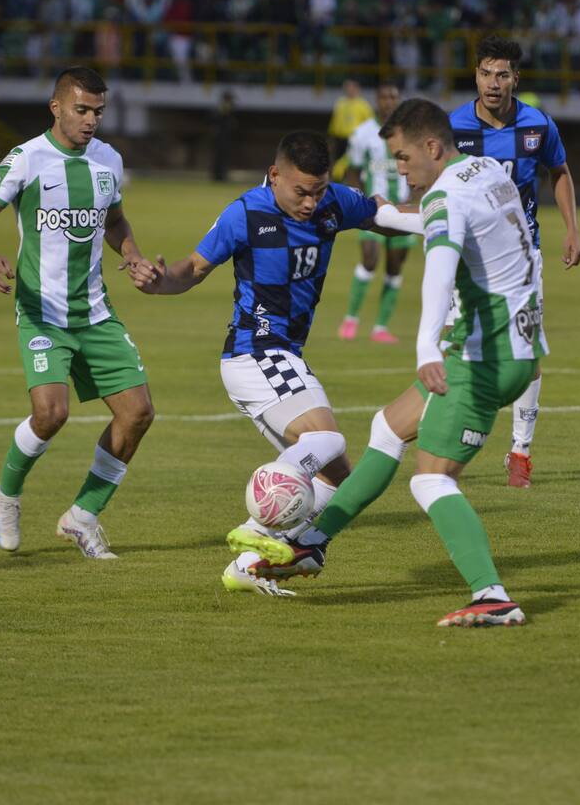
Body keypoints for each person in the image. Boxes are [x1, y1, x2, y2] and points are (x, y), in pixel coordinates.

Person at [242, 99, 547, 628]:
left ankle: (492, 595)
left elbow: (440, 265)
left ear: (432, 147)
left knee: (430, 481)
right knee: (387, 427)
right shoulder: (489, 171)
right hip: (518, 348)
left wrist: (427, 348)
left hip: (479, 358)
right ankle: (312, 542)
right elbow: (471, 234)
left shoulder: (446, 196)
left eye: (404, 158)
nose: (400, 169)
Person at [129, 131, 421, 596]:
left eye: (319, 190)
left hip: (282, 355)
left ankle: (248, 564)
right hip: (255, 351)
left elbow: (382, 217)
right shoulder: (245, 214)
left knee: (336, 477)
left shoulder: (333, 204)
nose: (310, 203)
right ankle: (256, 517)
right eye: (301, 191)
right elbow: (192, 270)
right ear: (274, 175)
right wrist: (158, 281)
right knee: (325, 437)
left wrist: (445, 218)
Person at [0, 66, 156, 560]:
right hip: (41, 311)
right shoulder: (27, 158)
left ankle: (82, 517)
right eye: (82, 110)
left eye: (98, 112)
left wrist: (131, 253)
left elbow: (114, 220)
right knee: (51, 414)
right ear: (57, 108)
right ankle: (7, 494)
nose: (91, 120)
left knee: (138, 414)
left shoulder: (109, 159)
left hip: (94, 311)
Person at [449, 35, 580, 488]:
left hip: (521, 258)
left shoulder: (538, 126)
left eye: (502, 74)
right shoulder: (455, 128)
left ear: (516, 79)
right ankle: (449, 440)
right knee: (458, 347)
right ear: (475, 76)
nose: (493, 83)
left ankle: (520, 452)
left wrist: (572, 229)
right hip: (466, 258)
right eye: (486, 73)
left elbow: (559, 172)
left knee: (527, 351)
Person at [336, 81, 414, 344]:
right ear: (377, 101)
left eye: (394, 96)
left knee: (394, 266)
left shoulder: (411, 134)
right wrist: (355, 206)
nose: (389, 101)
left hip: (404, 212)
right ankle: (351, 318)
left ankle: (380, 326)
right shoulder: (363, 134)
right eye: (384, 96)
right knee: (369, 259)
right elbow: (354, 173)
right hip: (374, 210)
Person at [327, 79, 373, 162]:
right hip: (340, 139)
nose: (349, 89)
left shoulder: (363, 105)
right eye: (347, 87)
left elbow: (370, 125)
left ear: (357, 88)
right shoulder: (340, 103)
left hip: (356, 140)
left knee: (353, 162)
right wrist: (331, 141)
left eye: (351, 87)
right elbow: (334, 123)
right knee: (338, 163)